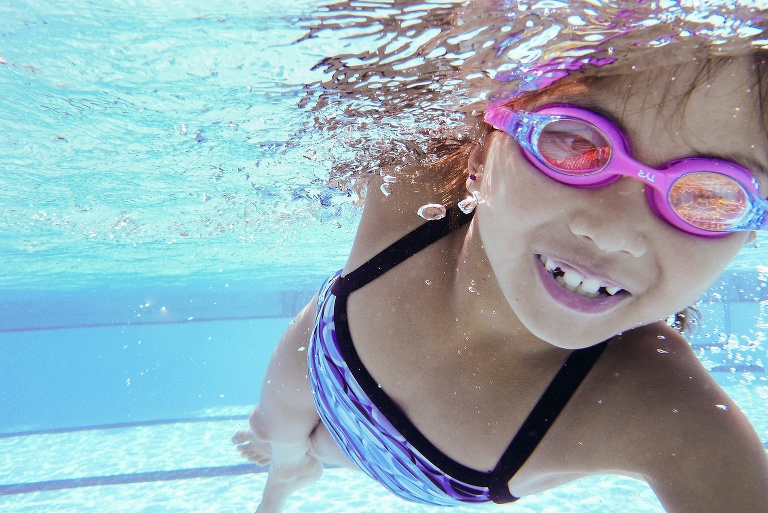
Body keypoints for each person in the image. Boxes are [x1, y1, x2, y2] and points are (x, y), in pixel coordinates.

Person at [232, 51, 768, 512]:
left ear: (748, 235)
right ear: (482, 155)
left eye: (711, 197)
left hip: (417, 469)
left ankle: (300, 464)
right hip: (323, 353)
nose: (611, 233)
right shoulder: (416, 183)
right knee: (272, 429)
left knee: (325, 450)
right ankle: (283, 476)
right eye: (572, 142)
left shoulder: (661, 410)